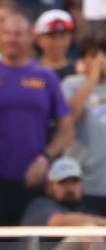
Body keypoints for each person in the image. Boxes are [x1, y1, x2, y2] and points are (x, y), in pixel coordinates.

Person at [0, 10, 74, 226]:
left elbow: (67, 129)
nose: (11, 39)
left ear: (31, 37)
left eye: (18, 34)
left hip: (31, 180)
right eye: (6, 33)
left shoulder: (46, 78)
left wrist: (45, 158)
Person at [61, 35, 106, 216]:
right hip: (81, 186)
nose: (101, 61)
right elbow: (68, 120)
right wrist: (92, 80)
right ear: (83, 59)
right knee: (88, 243)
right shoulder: (71, 84)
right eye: (94, 55)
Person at [22, 157, 106, 226]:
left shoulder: (90, 207)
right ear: (49, 186)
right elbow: (65, 221)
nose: (69, 188)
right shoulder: (39, 206)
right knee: (88, 230)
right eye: (62, 182)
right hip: (52, 247)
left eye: (74, 181)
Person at [35, 9, 76, 81]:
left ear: (70, 38)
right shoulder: (29, 71)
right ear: (39, 39)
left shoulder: (78, 71)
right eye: (51, 36)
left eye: (63, 35)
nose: (58, 42)